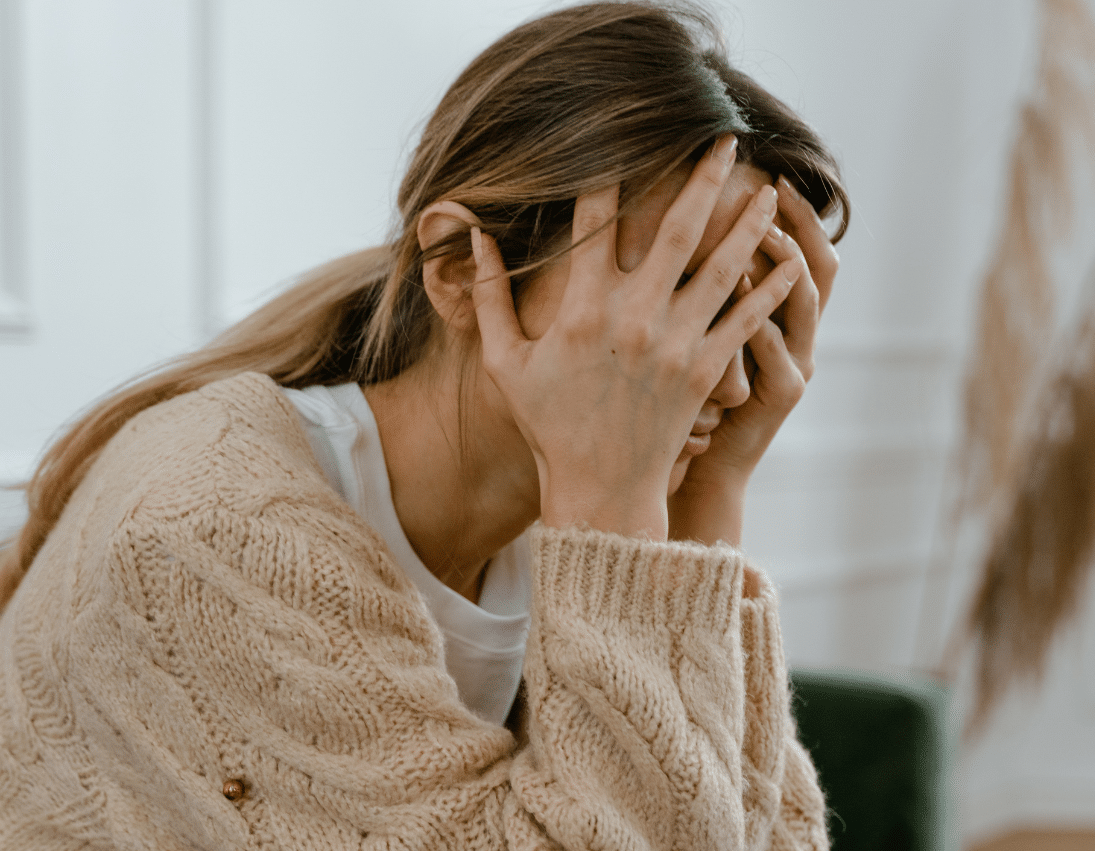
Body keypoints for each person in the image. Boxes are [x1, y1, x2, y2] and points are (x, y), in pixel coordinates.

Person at [0, 1, 847, 847]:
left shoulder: (571, 503)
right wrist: (630, 524)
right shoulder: (215, 533)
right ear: (456, 270)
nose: (726, 376)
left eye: (751, 313)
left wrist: (708, 496)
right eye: (674, 296)